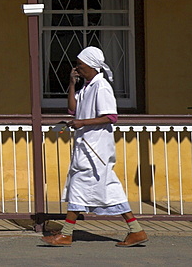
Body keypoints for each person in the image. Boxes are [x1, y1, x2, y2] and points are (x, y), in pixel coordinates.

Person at [41, 46, 148, 248]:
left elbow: (110, 117)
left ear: (91, 66)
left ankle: (66, 234)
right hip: (86, 147)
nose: (77, 68)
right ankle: (136, 230)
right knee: (107, 190)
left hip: (96, 150)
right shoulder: (87, 87)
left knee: (80, 189)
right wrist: (72, 84)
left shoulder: (102, 87)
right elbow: (73, 109)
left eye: (80, 65)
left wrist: (83, 123)